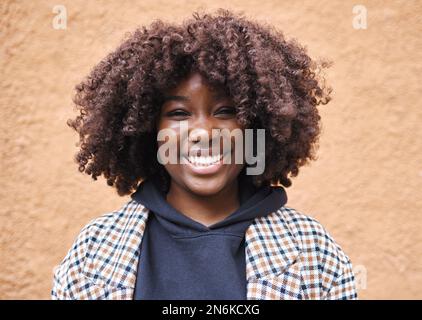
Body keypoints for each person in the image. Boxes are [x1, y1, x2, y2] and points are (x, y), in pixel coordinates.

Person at [52, 9, 357, 300]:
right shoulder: (94, 252)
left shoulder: (313, 252)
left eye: (225, 111)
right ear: (148, 130)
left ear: (257, 123)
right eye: (179, 113)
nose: (204, 132)